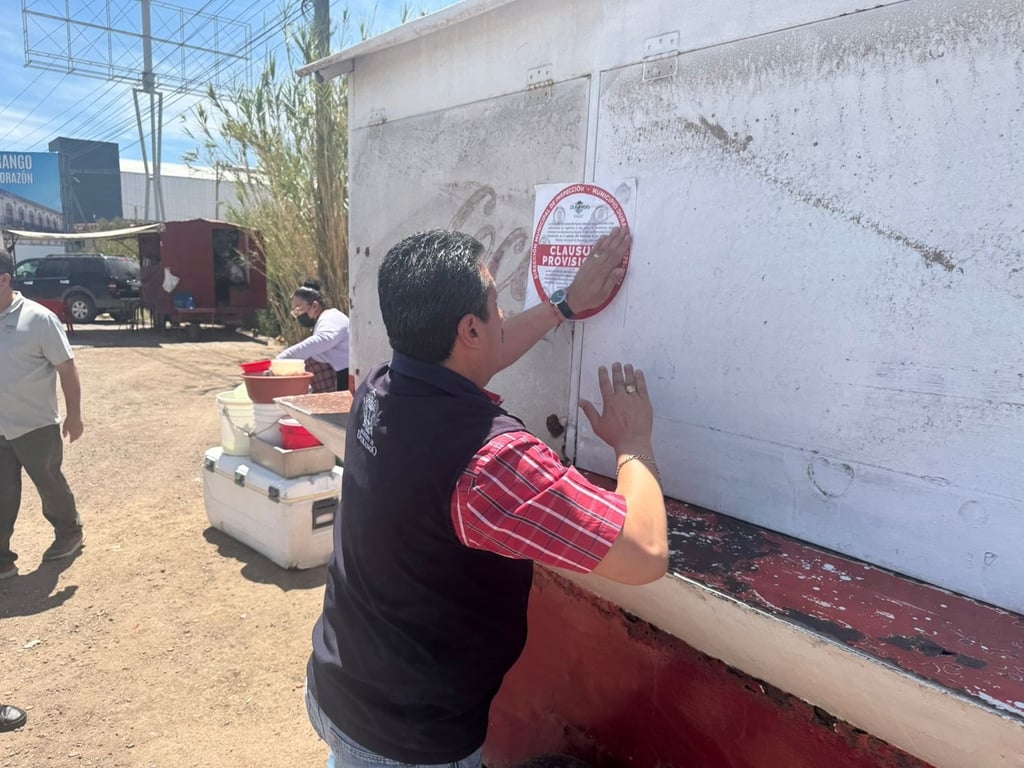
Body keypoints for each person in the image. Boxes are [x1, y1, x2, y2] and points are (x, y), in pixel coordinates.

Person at [305, 227, 667, 768]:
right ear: (470, 327)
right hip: (407, 742)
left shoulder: (382, 386)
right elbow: (643, 553)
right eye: (497, 303)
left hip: (341, 688)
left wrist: (563, 306)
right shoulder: (489, 464)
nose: (503, 317)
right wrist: (634, 445)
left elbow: (483, 354)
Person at [0, 248, 85, 580]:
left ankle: (69, 532)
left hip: (35, 426)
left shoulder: (38, 319)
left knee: (50, 485)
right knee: (1, 494)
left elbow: (67, 368)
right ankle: (2, 559)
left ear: (5, 279)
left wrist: (74, 414)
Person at [277, 280, 350, 393]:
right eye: (295, 311)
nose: (298, 315)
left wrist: (282, 359)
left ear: (315, 305)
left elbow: (323, 340)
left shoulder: (331, 317)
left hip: (345, 377)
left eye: (299, 309)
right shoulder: (324, 320)